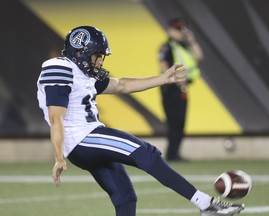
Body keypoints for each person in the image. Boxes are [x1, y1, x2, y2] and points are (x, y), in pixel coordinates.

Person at [37, 25, 244, 216]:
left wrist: (163, 78)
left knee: (125, 197)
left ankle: (206, 205)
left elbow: (122, 86)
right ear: (79, 51)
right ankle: (206, 204)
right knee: (145, 152)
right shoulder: (59, 67)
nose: (100, 61)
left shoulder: (83, 74)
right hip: (83, 139)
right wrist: (58, 157)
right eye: (97, 55)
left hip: (87, 141)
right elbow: (56, 119)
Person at [158, 18, 204, 161]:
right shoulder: (166, 46)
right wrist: (174, 80)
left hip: (182, 89)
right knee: (174, 122)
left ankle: (175, 153)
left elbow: (199, 56)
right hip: (171, 89)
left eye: (182, 29)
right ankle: (172, 154)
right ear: (170, 30)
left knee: (180, 123)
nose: (181, 32)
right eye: (178, 29)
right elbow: (163, 65)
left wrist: (192, 40)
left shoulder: (185, 46)